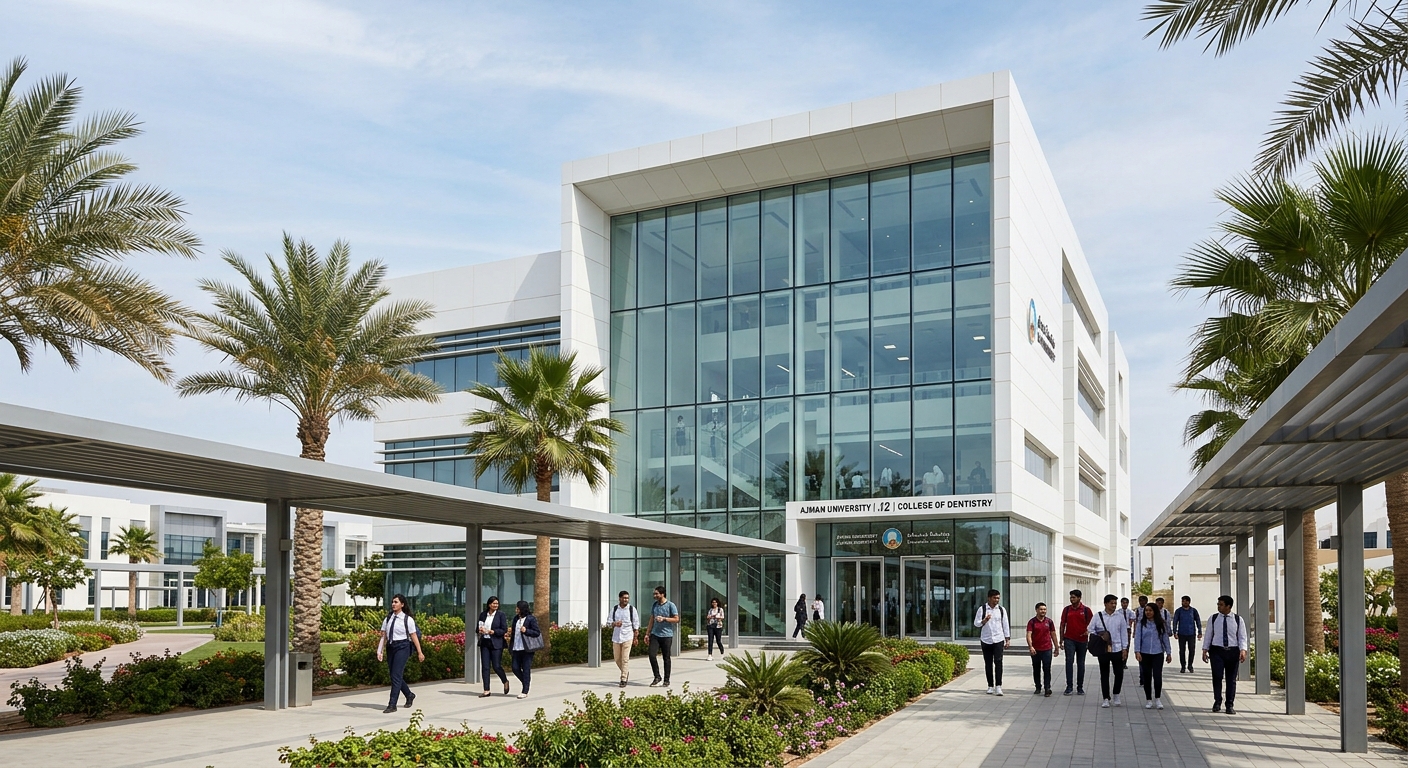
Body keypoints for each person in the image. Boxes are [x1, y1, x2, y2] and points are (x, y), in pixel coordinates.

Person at [376, 594, 425, 713]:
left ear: (402, 604)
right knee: (394, 675)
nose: (393, 604)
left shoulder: (407, 619)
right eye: (392, 602)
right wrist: (379, 651)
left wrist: (420, 652)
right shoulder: (388, 618)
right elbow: (383, 636)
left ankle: (392, 704)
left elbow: (414, 636)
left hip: (403, 647)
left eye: (396, 602)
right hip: (391, 647)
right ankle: (409, 695)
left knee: (396, 675)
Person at [1201, 594, 1248, 714]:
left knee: (1231, 679)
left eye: (1221, 605)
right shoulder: (1214, 618)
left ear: (1228, 606)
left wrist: (1243, 650)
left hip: (1232, 651)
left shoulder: (1238, 619)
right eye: (1218, 604)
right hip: (1217, 651)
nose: (1218, 606)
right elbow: (1208, 635)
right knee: (1217, 677)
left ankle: (1229, 704)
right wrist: (1205, 649)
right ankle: (1217, 701)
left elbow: (1242, 636)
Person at [1133, 603, 1172, 710]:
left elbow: (1165, 638)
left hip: (1158, 653)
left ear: (1155, 611)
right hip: (1144, 654)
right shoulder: (1141, 623)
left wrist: (1168, 652)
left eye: (1150, 610)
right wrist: (1137, 651)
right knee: (1147, 677)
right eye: (1146, 610)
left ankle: (1158, 698)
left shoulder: (1161, 623)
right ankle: (1148, 699)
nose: (1148, 612)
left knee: (1157, 676)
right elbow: (1137, 638)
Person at [1092, 594, 1128, 708]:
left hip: (1117, 648)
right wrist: (1101, 635)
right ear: (1105, 604)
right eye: (1111, 603)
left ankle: (1116, 694)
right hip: (1103, 649)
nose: (1113, 605)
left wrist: (1125, 648)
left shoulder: (1120, 617)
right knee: (1104, 674)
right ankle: (1106, 698)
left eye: (1115, 603)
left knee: (1119, 673)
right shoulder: (1098, 616)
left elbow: (1124, 633)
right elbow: (1090, 629)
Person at [974, 588, 1011, 695]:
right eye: (994, 598)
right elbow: (976, 623)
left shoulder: (1001, 610)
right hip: (986, 639)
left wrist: (1007, 638)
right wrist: (984, 621)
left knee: (998, 662)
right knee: (988, 663)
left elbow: (1005, 624)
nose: (996, 600)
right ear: (989, 598)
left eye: (998, 598)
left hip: (998, 639)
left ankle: (998, 686)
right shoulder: (982, 609)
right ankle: (990, 685)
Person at [645, 585, 680, 687]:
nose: (654, 595)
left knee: (666, 657)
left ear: (662, 594)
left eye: (656, 594)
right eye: (654, 594)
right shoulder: (655, 605)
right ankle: (657, 677)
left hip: (667, 635)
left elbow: (676, 619)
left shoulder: (670, 605)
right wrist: (647, 633)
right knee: (652, 655)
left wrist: (664, 619)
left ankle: (666, 679)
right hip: (655, 634)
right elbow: (652, 619)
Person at [475, 595, 510, 698]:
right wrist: (480, 630)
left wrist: (493, 631)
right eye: (494, 603)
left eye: (497, 603)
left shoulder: (501, 615)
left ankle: (505, 681)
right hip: (485, 642)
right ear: (489, 604)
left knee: (496, 666)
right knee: (485, 667)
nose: (496, 605)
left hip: (496, 643)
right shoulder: (483, 615)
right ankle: (486, 690)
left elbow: (504, 629)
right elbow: (477, 628)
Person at [1059, 589, 1092, 696]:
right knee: (1069, 661)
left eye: (1074, 597)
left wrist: (1087, 632)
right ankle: (1069, 687)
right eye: (1071, 597)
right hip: (1069, 639)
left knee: (1081, 663)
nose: (1071, 599)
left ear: (1079, 598)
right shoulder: (1067, 610)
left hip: (1082, 640)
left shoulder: (1086, 610)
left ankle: (1080, 687)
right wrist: (1061, 639)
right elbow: (1062, 624)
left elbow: (1092, 624)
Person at [507, 600, 541, 699]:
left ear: (522, 609)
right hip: (516, 647)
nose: (516, 610)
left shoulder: (531, 618)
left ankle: (525, 690)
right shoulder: (516, 619)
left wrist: (526, 631)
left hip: (527, 649)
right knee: (515, 668)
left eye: (517, 608)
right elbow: (514, 633)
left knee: (526, 669)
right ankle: (526, 682)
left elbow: (537, 632)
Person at [608, 590, 640, 688]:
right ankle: (625, 671)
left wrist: (636, 636)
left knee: (625, 659)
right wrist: (614, 623)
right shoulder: (614, 609)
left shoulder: (631, 609)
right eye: (624, 598)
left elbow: (636, 623)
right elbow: (608, 623)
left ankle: (623, 678)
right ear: (620, 598)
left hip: (628, 636)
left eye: (627, 598)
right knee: (617, 659)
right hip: (616, 637)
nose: (626, 600)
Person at [1026, 601, 1058, 696]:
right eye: (1041, 609)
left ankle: (1047, 688)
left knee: (1047, 668)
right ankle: (1038, 687)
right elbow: (1029, 635)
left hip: (1047, 648)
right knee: (1036, 668)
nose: (1043, 611)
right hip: (1036, 649)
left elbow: (1053, 634)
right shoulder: (1032, 622)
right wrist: (1031, 647)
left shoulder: (1049, 622)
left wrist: (1056, 647)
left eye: (1044, 609)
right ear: (1036, 610)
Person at [1172, 595, 1203, 673]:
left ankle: (1190, 665)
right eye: (1183, 601)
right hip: (1181, 633)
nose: (1184, 603)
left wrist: (1199, 631)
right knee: (1182, 651)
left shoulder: (1193, 611)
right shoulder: (1178, 611)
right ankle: (1183, 666)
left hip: (1191, 633)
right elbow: (1175, 621)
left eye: (1186, 601)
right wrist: (1175, 632)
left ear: (1189, 602)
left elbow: (1198, 621)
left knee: (1192, 650)